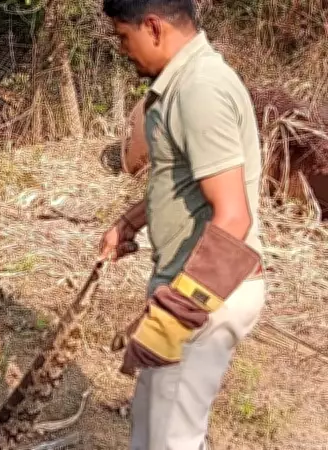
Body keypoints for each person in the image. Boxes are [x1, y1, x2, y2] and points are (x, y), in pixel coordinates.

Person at [99, 1, 266, 449]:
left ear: (152, 27)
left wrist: (173, 318)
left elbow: (233, 215)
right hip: (185, 291)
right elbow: (187, 184)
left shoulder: (200, 90)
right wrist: (130, 222)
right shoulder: (181, 85)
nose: (122, 49)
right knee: (153, 432)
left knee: (172, 440)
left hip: (203, 296)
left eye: (122, 36)